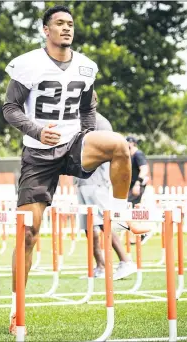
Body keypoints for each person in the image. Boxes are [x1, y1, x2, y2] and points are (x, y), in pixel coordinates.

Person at [2, 5, 138, 334]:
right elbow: (10, 107)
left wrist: (87, 134)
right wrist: (36, 130)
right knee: (29, 233)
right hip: (38, 154)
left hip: (73, 142)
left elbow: (88, 105)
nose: (66, 28)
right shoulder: (29, 64)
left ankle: (119, 213)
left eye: (70, 24)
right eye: (60, 23)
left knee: (119, 145)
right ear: (45, 30)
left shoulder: (85, 66)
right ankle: (15, 306)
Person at [74, 99, 136, 280]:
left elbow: (112, 152)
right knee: (87, 226)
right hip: (81, 180)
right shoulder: (76, 120)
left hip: (97, 181)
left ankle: (125, 261)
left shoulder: (101, 123)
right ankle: (100, 266)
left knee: (104, 222)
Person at [126, 136, 151, 244]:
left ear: (132, 143)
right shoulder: (130, 155)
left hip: (137, 185)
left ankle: (144, 232)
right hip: (132, 186)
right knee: (132, 209)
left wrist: (137, 184)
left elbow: (144, 169)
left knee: (129, 208)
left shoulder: (138, 154)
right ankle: (138, 234)